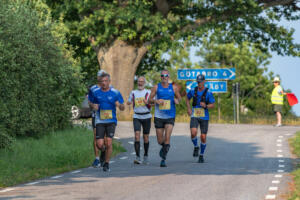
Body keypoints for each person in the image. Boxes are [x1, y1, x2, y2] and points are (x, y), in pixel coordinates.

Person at [90, 73, 125, 172]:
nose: (104, 83)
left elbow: (123, 107)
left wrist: (120, 106)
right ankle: (104, 151)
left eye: (106, 81)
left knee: (109, 142)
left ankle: (106, 163)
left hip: (111, 121)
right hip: (100, 120)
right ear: (100, 83)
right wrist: (93, 106)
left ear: (109, 82)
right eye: (102, 81)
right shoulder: (96, 92)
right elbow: (91, 102)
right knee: (99, 144)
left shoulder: (115, 93)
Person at [149, 69, 181, 167]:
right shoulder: (156, 87)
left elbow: (179, 98)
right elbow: (149, 99)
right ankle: (165, 147)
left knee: (167, 137)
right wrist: (156, 101)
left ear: (169, 77)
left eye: (166, 75)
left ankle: (163, 159)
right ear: (160, 77)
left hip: (170, 116)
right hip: (159, 116)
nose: (164, 77)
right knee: (160, 140)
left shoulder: (174, 88)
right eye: (162, 76)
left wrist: (177, 100)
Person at [185, 74, 215, 163]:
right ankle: (196, 146)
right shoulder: (193, 90)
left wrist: (206, 105)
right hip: (195, 115)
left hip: (204, 117)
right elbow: (187, 99)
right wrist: (189, 108)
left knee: (203, 137)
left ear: (204, 82)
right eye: (198, 82)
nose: (199, 84)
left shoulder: (208, 92)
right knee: (193, 133)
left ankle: (201, 155)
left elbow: (212, 105)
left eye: (201, 82)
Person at [127, 76, 152, 165]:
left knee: (146, 137)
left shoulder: (148, 92)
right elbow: (128, 101)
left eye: (142, 81)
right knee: (137, 136)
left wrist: (147, 102)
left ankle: (145, 156)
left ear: (144, 83)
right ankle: (138, 157)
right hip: (137, 116)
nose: (140, 83)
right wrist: (129, 102)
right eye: (138, 81)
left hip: (146, 116)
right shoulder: (133, 92)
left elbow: (153, 102)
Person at [88, 70, 106, 168]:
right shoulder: (93, 89)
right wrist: (92, 105)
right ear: (98, 78)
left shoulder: (109, 88)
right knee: (96, 137)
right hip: (96, 115)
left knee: (106, 140)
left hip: (106, 115)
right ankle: (97, 158)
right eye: (100, 77)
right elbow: (89, 102)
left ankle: (104, 152)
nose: (102, 79)